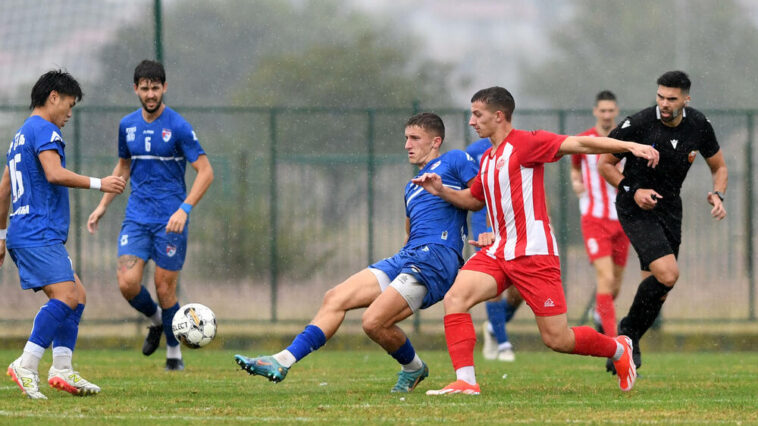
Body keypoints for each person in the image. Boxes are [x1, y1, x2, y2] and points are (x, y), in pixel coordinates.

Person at [413, 86, 660, 395]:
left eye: (477, 114)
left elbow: (581, 143)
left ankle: (619, 348)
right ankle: (466, 381)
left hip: (534, 255)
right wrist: (441, 190)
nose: (472, 121)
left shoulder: (527, 143)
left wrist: (630, 146)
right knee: (455, 299)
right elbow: (474, 200)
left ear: (499, 116)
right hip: (498, 251)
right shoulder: (487, 158)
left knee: (558, 339)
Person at [234, 112, 480, 393]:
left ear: (436, 141)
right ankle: (281, 361)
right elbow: (410, 232)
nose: (407, 145)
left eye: (414, 138)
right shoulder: (411, 187)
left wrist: (490, 231)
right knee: (335, 297)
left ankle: (414, 368)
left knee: (373, 322)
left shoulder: (455, 160)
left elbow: (480, 197)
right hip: (409, 256)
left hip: (436, 256)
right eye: (406, 138)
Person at [0, 70, 126, 399]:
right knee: (67, 297)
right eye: (69, 105)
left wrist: (1, 236)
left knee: (77, 297)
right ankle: (26, 364)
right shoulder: (45, 129)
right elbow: (54, 174)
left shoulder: (20, 136)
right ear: (53, 97)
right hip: (38, 232)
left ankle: (62, 368)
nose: (69, 114)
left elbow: (3, 191)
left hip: (25, 232)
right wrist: (100, 183)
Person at [87, 60, 214, 371]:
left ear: (164, 88)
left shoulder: (178, 126)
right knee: (127, 283)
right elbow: (123, 167)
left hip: (171, 221)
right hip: (137, 217)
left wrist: (184, 209)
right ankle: (157, 319)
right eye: (144, 88)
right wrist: (103, 205)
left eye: (155, 88)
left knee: (165, 288)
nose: (150, 94)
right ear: (136, 89)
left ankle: (174, 352)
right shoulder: (127, 125)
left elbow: (206, 172)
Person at [598, 71, 727, 374]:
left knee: (660, 288)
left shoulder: (699, 124)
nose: (664, 103)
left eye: (671, 98)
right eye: (660, 96)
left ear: (686, 99)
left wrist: (718, 194)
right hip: (635, 206)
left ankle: (623, 348)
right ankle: (628, 332)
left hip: (670, 208)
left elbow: (719, 166)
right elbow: (605, 164)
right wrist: (633, 190)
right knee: (668, 274)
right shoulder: (639, 123)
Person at [570, 90, 630, 337]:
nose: (606, 115)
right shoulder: (584, 141)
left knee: (615, 285)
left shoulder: (625, 139)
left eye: (610, 111)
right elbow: (575, 168)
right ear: (596, 112)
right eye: (602, 110)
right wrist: (576, 182)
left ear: (616, 111)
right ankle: (612, 342)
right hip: (594, 218)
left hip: (623, 218)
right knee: (604, 277)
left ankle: (599, 312)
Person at [466, 138, 515, 362]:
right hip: (483, 224)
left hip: (514, 222)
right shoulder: (473, 152)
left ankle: (494, 327)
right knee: (493, 282)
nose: (475, 122)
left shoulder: (518, 145)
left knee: (519, 290)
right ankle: (504, 344)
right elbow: (472, 193)